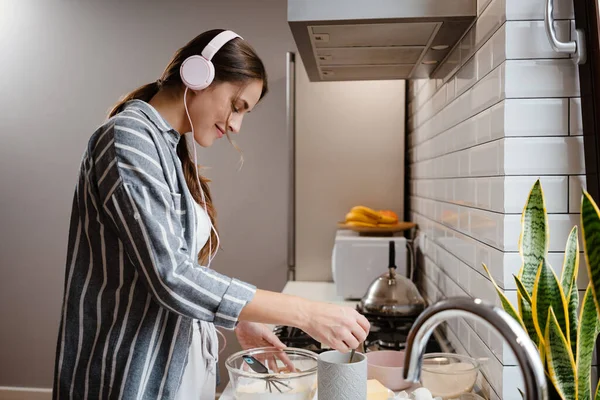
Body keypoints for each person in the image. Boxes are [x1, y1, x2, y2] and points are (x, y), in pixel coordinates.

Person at [52, 29, 370, 400]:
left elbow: (172, 263)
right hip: (130, 380)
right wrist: (304, 313)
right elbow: (171, 276)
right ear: (198, 76)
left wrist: (243, 317)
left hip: (178, 371)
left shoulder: (167, 149)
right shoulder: (127, 140)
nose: (236, 126)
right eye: (237, 106)